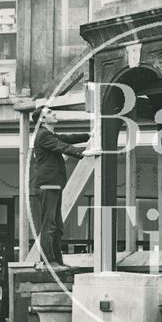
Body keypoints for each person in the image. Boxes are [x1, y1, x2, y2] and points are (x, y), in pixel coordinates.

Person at [32, 106, 93, 269]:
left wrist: (88, 135)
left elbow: (65, 139)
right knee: (49, 225)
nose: (54, 113)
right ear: (42, 120)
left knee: (56, 226)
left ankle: (56, 261)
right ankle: (49, 262)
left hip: (52, 185)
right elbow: (62, 146)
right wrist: (83, 153)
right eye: (50, 113)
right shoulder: (43, 135)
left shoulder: (47, 134)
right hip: (47, 185)